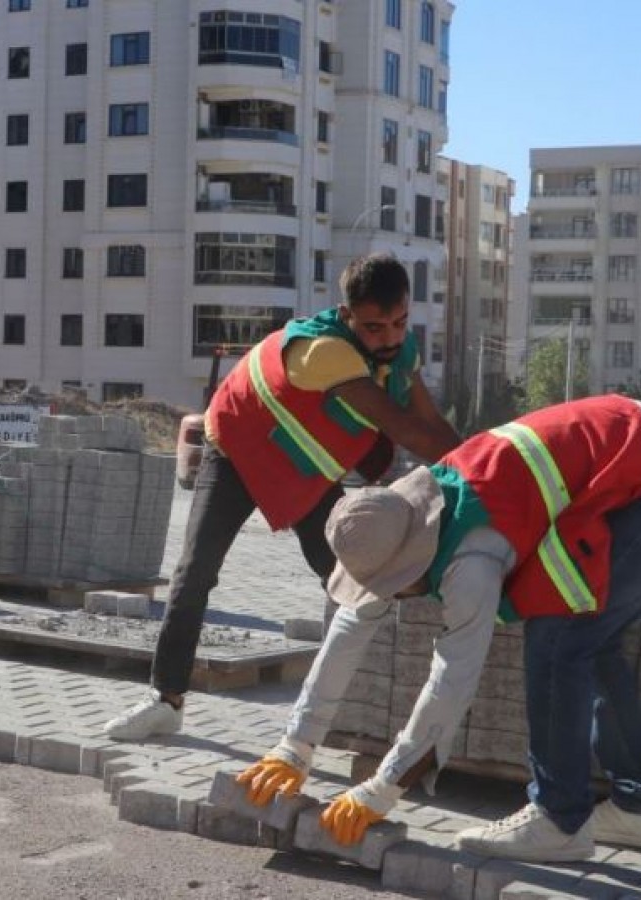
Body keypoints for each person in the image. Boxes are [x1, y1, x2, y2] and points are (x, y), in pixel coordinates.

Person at [234, 394, 641, 862]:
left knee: (559, 635)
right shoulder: (404, 509)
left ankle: (559, 821)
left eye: (393, 585)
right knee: (590, 641)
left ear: (412, 564)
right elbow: (350, 627)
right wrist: (294, 747)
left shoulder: (471, 557)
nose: (390, 596)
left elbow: (454, 676)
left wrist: (383, 788)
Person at [102, 253, 463, 742]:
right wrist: (492, 466)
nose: (391, 337)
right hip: (238, 451)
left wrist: (476, 462)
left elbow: (433, 424)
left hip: (303, 470)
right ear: (347, 316)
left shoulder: (401, 350)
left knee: (352, 576)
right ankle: (165, 700)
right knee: (195, 571)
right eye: (375, 328)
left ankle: (372, 710)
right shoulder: (326, 352)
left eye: (400, 323)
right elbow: (405, 430)